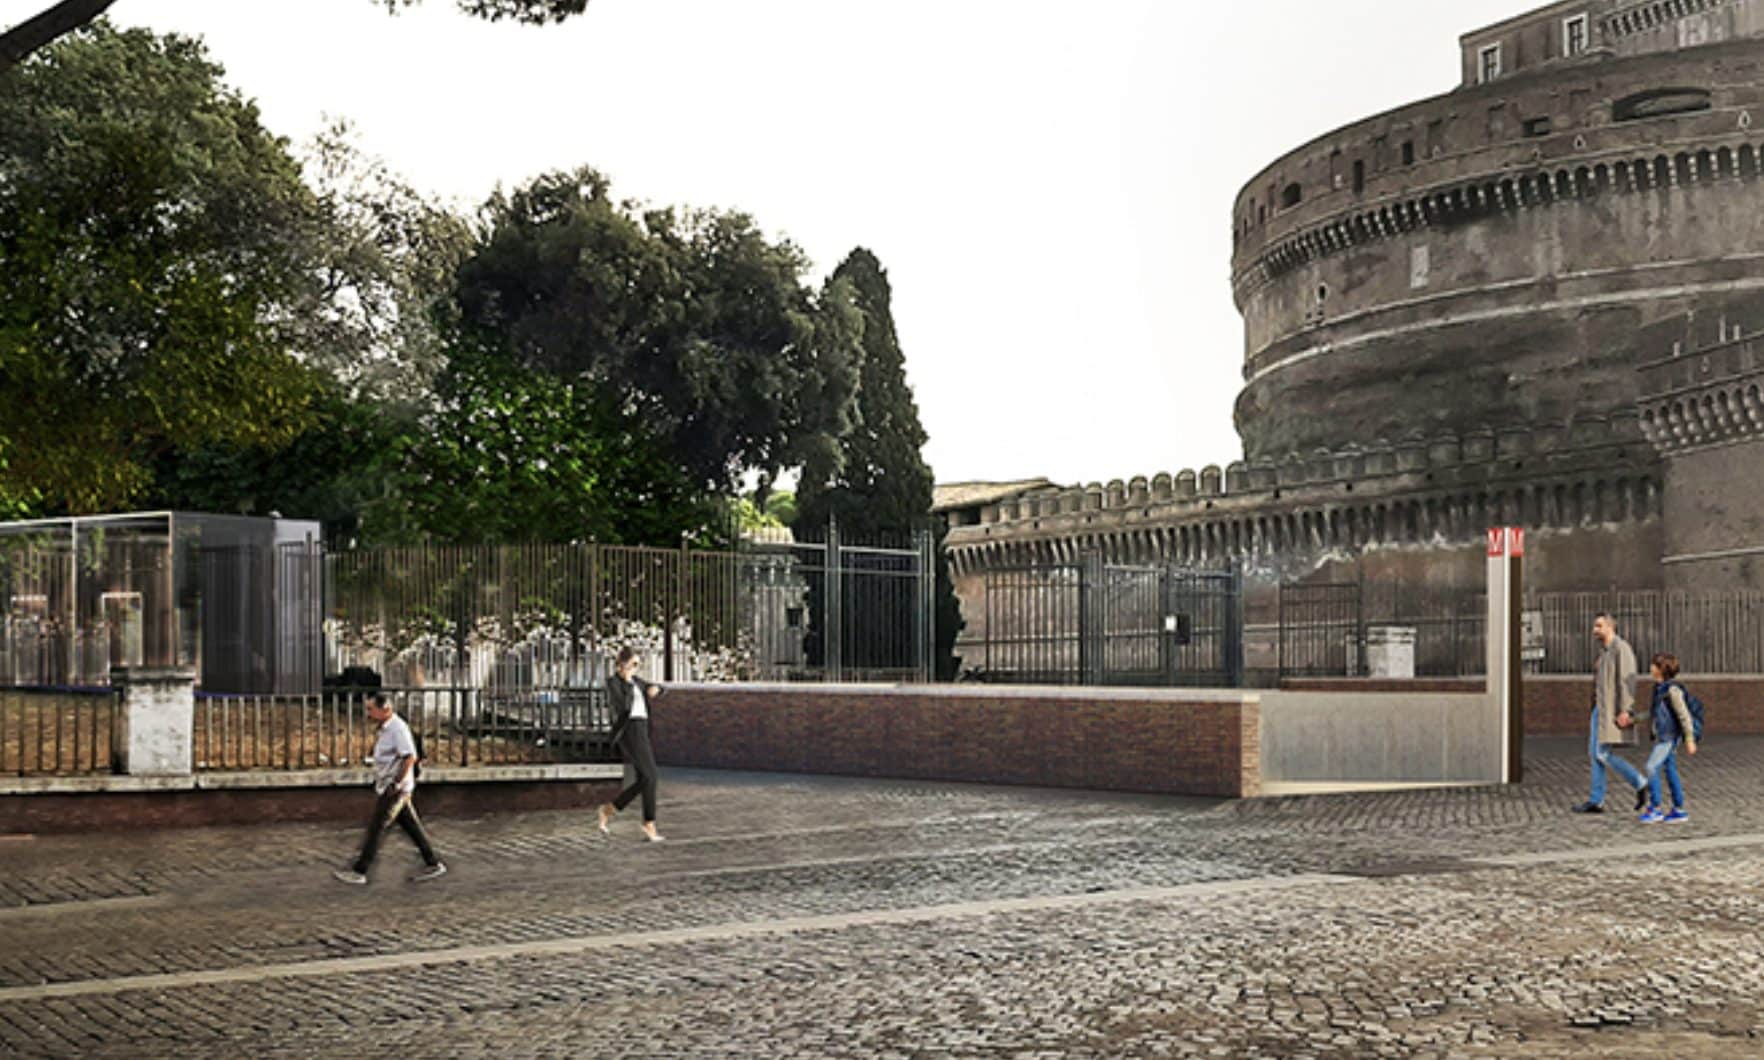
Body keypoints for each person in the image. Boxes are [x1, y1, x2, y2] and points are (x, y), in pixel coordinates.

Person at [333, 692, 447, 884]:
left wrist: (397, 782)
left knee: (377, 827)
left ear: (385, 709)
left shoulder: (397, 729)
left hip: (395, 789)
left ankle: (359, 871)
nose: (368, 713)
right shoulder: (386, 729)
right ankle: (433, 863)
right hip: (393, 786)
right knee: (412, 827)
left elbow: (409, 756)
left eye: (371, 709)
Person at [1574, 612, 1649, 814]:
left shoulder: (1620, 649)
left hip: (1610, 710)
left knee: (1601, 753)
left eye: (1598, 626)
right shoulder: (1605, 652)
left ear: (1610, 627)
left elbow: (1627, 681)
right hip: (1599, 709)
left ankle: (1640, 782)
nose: (1594, 630)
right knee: (1594, 754)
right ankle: (1596, 800)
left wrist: (1626, 709)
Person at [598, 647, 666, 842]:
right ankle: (648, 822)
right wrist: (627, 682)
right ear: (622, 664)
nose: (636, 668)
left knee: (646, 778)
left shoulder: (637, 682)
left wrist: (657, 689)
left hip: (643, 728)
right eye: (633, 664)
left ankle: (609, 810)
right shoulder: (614, 683)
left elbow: (659, 688)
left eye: (638, 665)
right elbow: (623, 708)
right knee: (650, 776)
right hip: (630, 730)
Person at [1638, 653, 1697, 824]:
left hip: (1668, 737)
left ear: (1661, 669)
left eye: (1653, 665)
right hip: (1663, 736)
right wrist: (1634, 719)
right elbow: (1654, 713)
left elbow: (1684, 714)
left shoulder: (1672, 690)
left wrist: (1689, 737)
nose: (1650, 668)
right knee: (1670, 770)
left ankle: (1655, 807)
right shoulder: (1658, 689)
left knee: (1651, 767)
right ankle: (1678, 809)